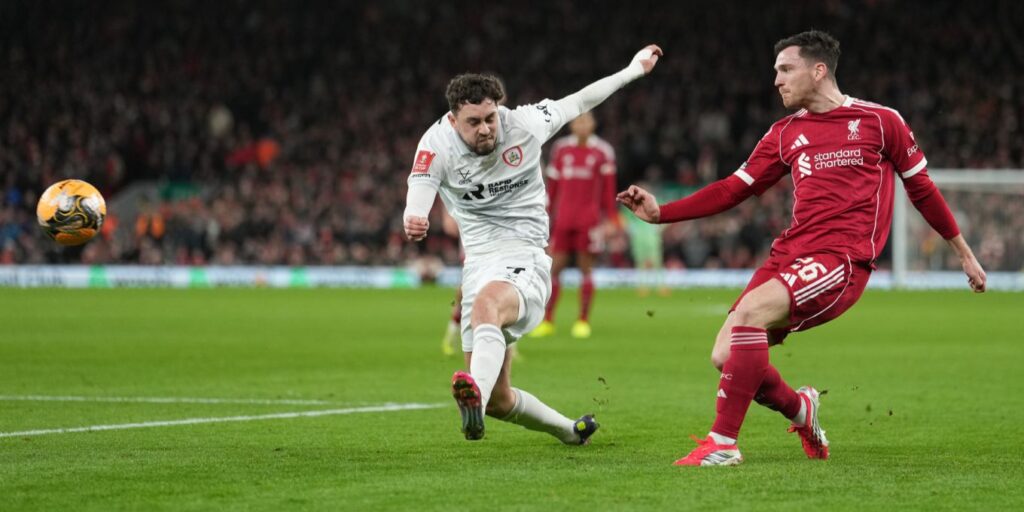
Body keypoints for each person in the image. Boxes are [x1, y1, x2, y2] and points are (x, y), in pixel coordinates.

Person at [618, 30, 986, 466]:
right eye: (776, 71)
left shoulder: (880, 121)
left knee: (751, 315)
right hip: (789, 254)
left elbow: (921, 188)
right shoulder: (783, 134)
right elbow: (734, 189)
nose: (776, 80)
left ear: (818, 70)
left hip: (842, 258)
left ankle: (723, 444)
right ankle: (801, 409)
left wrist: (963, 251)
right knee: (724, 355)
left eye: (785, 69)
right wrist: (664, 214)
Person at [404, 44, 662, 443]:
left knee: (489, 306)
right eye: (474, 122)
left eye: (490, 117)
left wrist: (632, 71)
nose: (486, 128)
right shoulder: (435, 143)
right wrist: (414, 214)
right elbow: (420, 183)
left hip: (526, 254)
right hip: (478, 263)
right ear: (454, 120)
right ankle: (569, 432)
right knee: (499, 400)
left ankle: (474, 396)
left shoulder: (525, 122)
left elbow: (578, 101)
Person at [529, 112, 620, 339]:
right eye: (578, 121)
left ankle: (582, 320)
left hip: (589, 222)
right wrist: (544, 215)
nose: (581, 124)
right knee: (554, 269)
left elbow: (608, 191)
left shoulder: (603, 151)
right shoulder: (561, 149)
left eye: (586, 120)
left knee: (585, 269)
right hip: (563, 220)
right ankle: (548, 320)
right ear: (571, 124)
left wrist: (611, 219)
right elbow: (552, 188)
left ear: (593, 124)